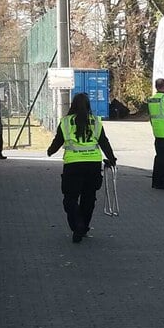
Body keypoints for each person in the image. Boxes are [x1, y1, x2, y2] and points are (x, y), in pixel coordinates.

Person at [47, 93, 117, 243]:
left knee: (70, 198)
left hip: (73, 165)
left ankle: (77, 225)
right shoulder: (95, 121)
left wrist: (50, 151)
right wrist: (112, 158)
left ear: (73, 105)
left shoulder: (66, 122)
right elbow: (104, 141)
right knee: (89, 198)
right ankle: (84, 226)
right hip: (93, 164)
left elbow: (58, 141)